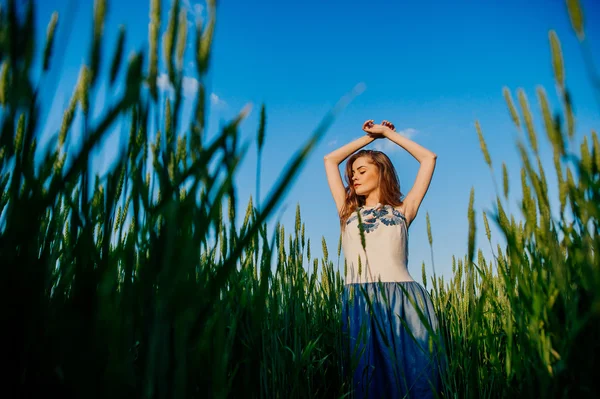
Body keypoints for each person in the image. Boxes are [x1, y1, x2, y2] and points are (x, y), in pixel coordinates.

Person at [324, 119, 444, 398]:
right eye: (352, 172)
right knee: (364, 383)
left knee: (416, 378)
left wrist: (388, 135)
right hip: (358, 302)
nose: (354, 177)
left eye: (362, 170)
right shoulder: (346, 211)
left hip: (405, 299)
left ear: (382, 173)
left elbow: (428, 158)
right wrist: (368, 139)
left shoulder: (404, 210)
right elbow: (330, 159)